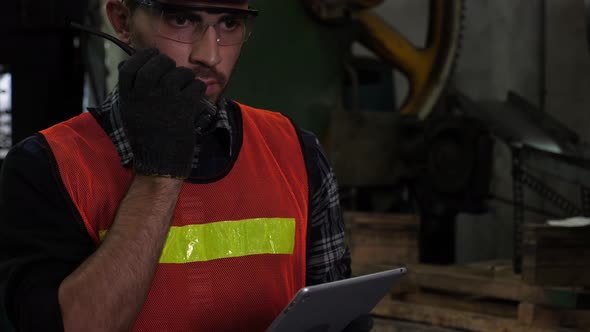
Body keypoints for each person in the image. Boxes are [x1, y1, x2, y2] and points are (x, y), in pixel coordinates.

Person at [0, 0, 370, 331]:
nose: (209, 55)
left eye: (229, 23)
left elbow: (328, 306)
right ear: (122, 20)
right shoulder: (48, 167)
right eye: (181, 19)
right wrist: (160, 171)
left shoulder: (295, 152)